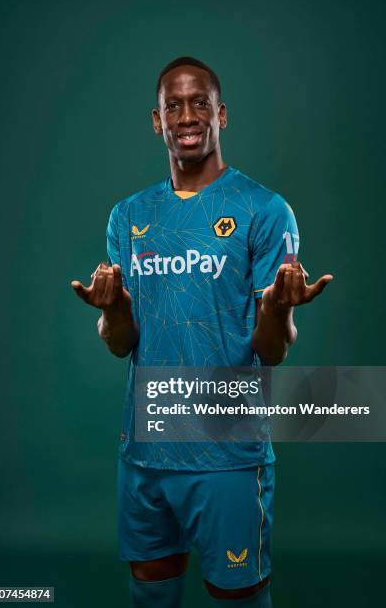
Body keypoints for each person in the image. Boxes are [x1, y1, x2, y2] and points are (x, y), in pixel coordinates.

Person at [71, 56, 332, 608]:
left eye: (199, 102)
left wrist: (279, 311)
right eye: (174, 105)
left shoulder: (264, 209)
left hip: (227, 458)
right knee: (150, 594)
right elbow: (121, 342)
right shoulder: (129, 216)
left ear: (221, 114)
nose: (187, 115)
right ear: (157, 121)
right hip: (144, 456)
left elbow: (273, 353)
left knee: (237, 597)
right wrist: (113, 308)